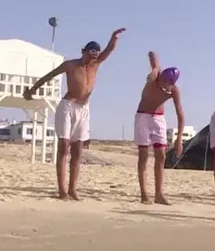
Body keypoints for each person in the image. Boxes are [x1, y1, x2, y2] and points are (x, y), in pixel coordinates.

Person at [23, 28, 126, 200]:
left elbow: (109, 51)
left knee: (78, 149)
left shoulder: (95, 65)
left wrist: (114, 38)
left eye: (95, 54)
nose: (92, 57)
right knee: (64, 145)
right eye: (90, 52)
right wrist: (32, 91)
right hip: (67, 105)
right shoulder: (70, 65)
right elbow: (49, 76)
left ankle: (72, 189)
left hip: (83, 109)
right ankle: (62, 190)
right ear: (83, 51)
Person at [134, 51, 184, 205]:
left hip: (158, 118)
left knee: (161, 155)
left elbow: (180, 114)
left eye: (166, 82)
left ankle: (159, 194)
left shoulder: (173, 90)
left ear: (171, 83)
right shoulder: (155, 76)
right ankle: (144, 194)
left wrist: (179, 139)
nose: (163, 83)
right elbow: (154, 61)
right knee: (143, 155)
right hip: (143, 116)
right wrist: (153, 61)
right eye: (162, 80)